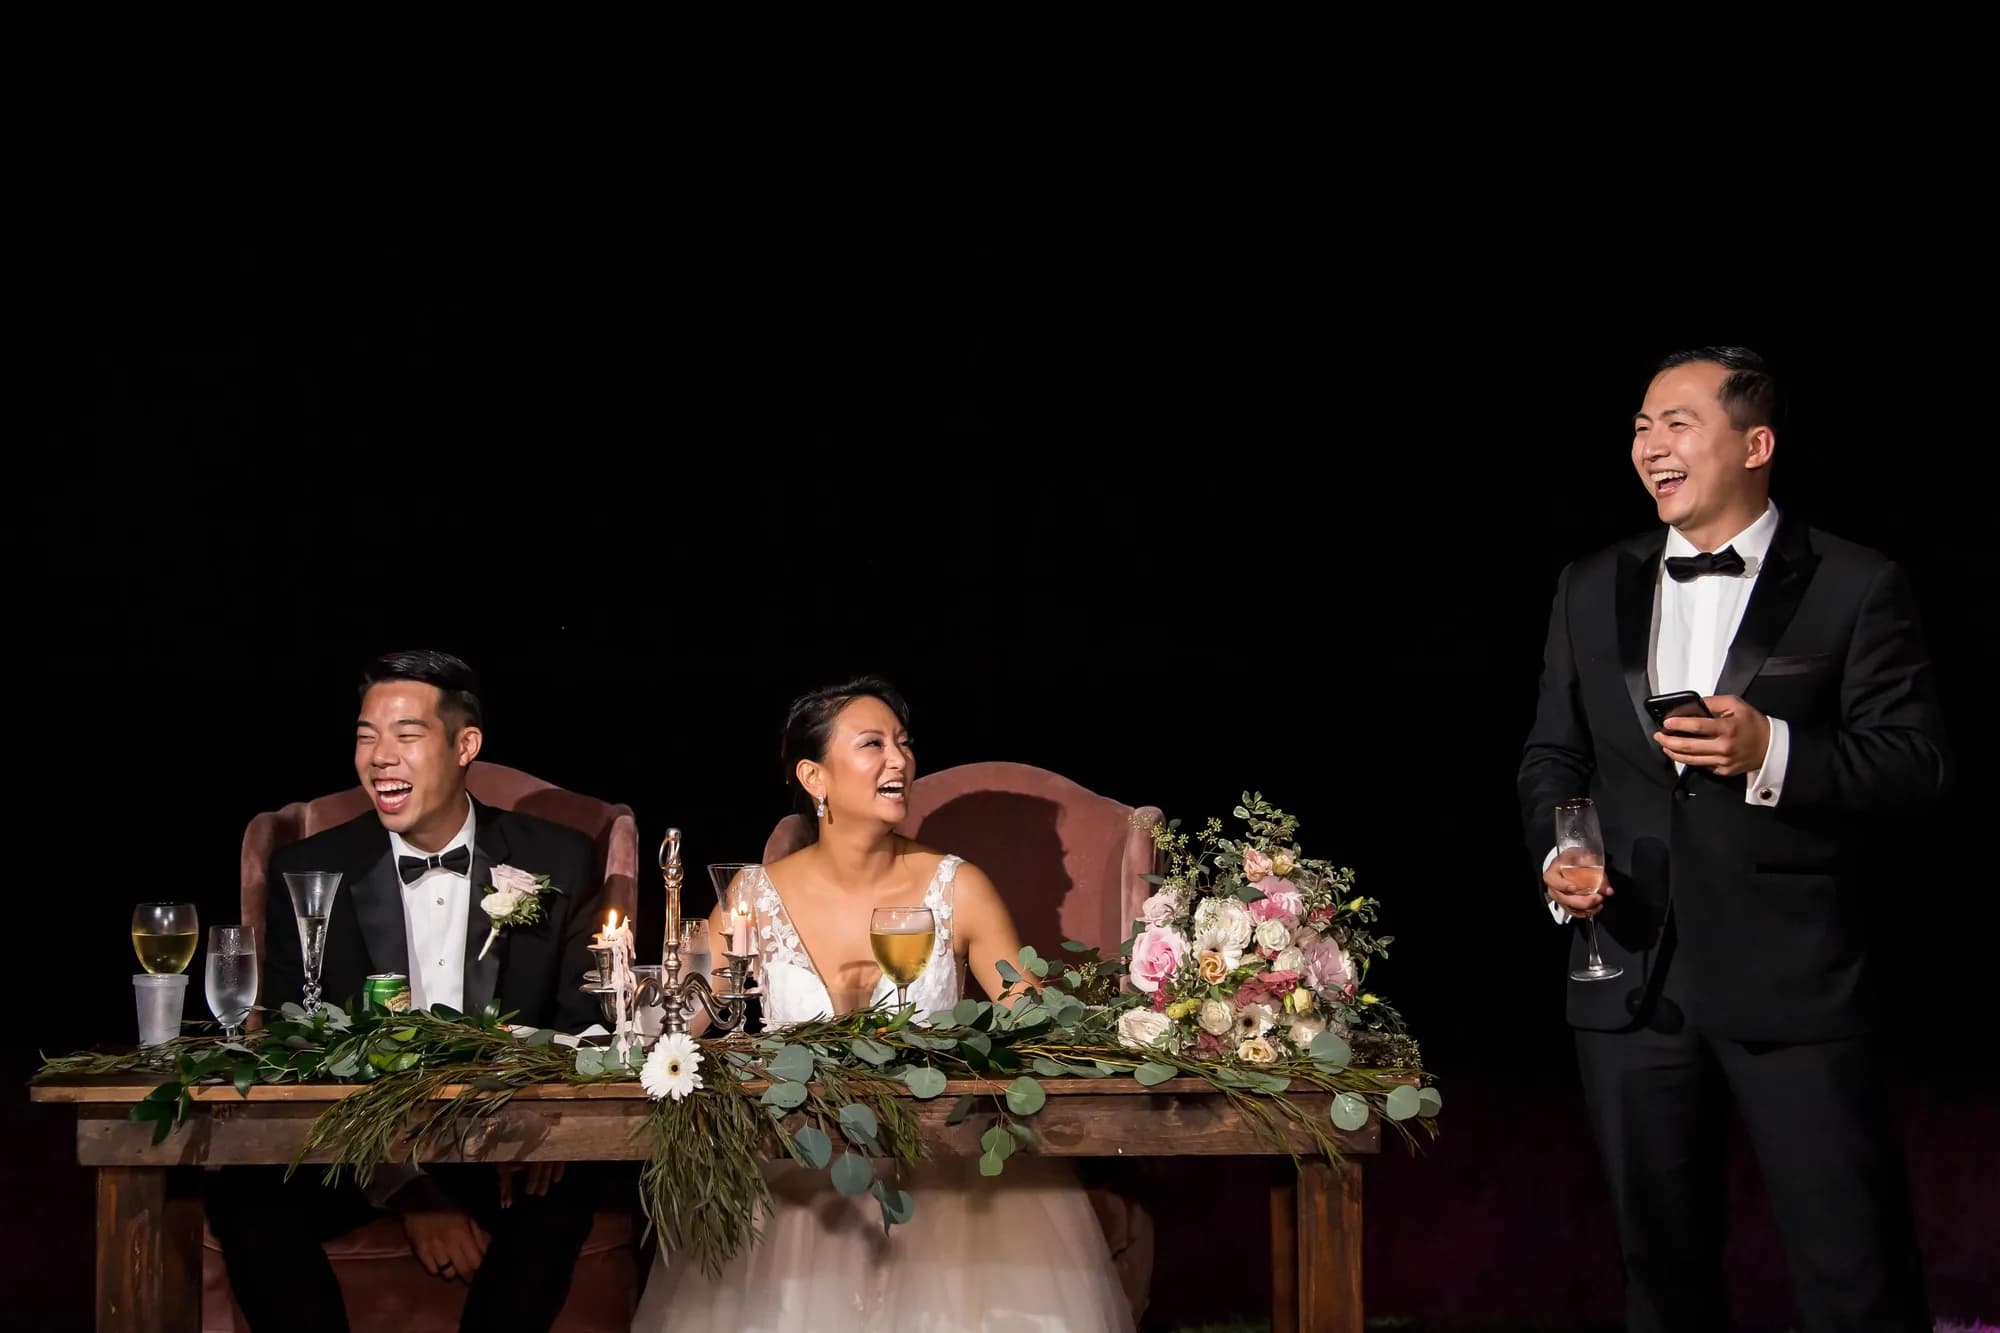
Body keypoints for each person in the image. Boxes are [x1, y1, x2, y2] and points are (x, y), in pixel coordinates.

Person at [1517, 348, 1948, 1332]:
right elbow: (1552, 756)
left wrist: (1771, 747)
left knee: (1853, 1275)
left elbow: (1915, 766)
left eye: (1674, 422)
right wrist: (1562, 851)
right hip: (1628, 981)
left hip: (1793, 983)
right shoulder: (1588, 584)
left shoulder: (1854, 582)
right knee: (1659, 1280)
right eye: (1637, 426)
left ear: (1753, 445)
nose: (1647, 445)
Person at [633, 676, 1134, 1332]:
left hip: (947, 1175)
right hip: (802, 1176)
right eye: (873, 744)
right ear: (815, 776)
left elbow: (1031, 1021)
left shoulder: (959, 886)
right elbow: (668, 1030)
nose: (900, 760)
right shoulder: (754, 896)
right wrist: (661, 980)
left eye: (903, 743)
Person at [206, 649, 604, 1332]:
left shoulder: (556, 859)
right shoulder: (309, 867)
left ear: (464, 745)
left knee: (565, 1197)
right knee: (242, 1192)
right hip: (356, 1147)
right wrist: (408, 1185)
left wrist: (546, 1129)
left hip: (507, 1146)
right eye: (366, 736)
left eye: (406, 735)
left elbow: (586, 1020)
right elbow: (290, 1042)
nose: (380, 757)